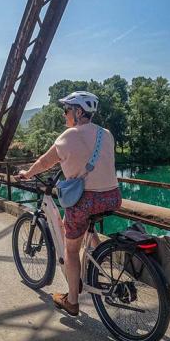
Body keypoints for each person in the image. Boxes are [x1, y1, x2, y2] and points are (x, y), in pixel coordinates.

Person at [18, 91, 121, 317]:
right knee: (84, 224)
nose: (65, 115)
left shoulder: (67, 137)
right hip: (112, 196)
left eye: (67, 111)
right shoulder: (107, 134)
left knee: (70, 249)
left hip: (85, 201)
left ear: (78, 112)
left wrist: (27, 173)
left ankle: (72, 300)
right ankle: (96, 259)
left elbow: (45, 162)